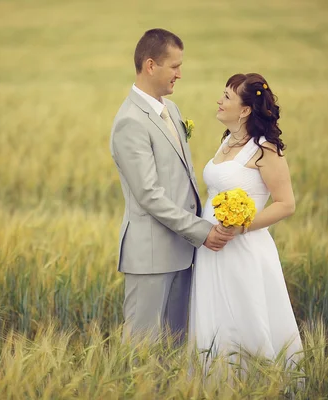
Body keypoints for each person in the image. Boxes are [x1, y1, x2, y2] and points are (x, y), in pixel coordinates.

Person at [110, 29, 235, 343]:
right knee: (141, 350)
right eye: (174, 66)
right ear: (151, 66)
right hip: (151, 256)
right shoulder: (130, 122)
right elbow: (149, 195)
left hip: (183, 250)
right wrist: (202, 230)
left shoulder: (171, 110)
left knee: (175, 349)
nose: (180, 73)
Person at [189, 73, 303, 367]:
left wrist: (240, 227)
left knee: (244, 316)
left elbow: (286, 204)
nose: (219, 100)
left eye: (227, 96)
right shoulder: (227, 141)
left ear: (245, 110)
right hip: (211, 248)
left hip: (244, 250)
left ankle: (260, 384)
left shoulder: (265, 149)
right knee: (214, 316)